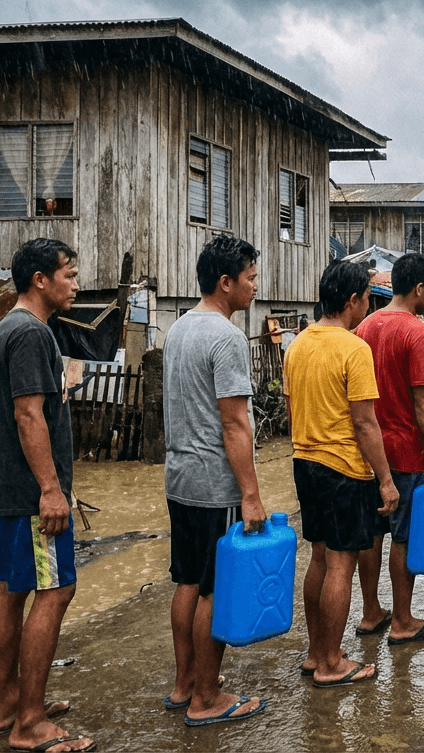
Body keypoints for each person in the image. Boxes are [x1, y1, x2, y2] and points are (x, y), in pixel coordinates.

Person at [0, 239, 95, 753]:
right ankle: (29, 721)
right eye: (68, 274)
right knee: (55, 590)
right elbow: (29, 415)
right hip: (30, 496)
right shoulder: (29, 333)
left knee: (12, 588)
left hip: (6, 490)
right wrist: (52, 489)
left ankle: (9, 703)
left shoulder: (12, 326)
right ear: (40, 281)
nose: (76, 283)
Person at [162, 235, 267, 726]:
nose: (253, 286)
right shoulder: (226, 338)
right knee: (213, 591)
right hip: (213, 484)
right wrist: (250, 494)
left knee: (187, 581)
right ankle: (207, 698)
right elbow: (234, 423)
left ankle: (185, 683)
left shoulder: (179, 327)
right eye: (249, 278)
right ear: (225, 283)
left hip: (179, 477)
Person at [283, 260, 400, 688]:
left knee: (318, 558)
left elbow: (292, 410)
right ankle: (332, 663)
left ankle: (317, 653)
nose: (368, 307)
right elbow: (366, 423)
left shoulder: (297, 344)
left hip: (304, 461)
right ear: (352, 300)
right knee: (340, 565)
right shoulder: (353, 348)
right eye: (368, 299)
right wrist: (385, 479)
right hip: (344, 469)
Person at [355, 253, 424, 645]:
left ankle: (369, 612)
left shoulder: (363, 327)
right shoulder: (417, 332)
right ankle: (402, 620)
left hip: (368, 449)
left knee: (372, 534)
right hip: (405, 449)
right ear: (419, 288)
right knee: (403, 536)